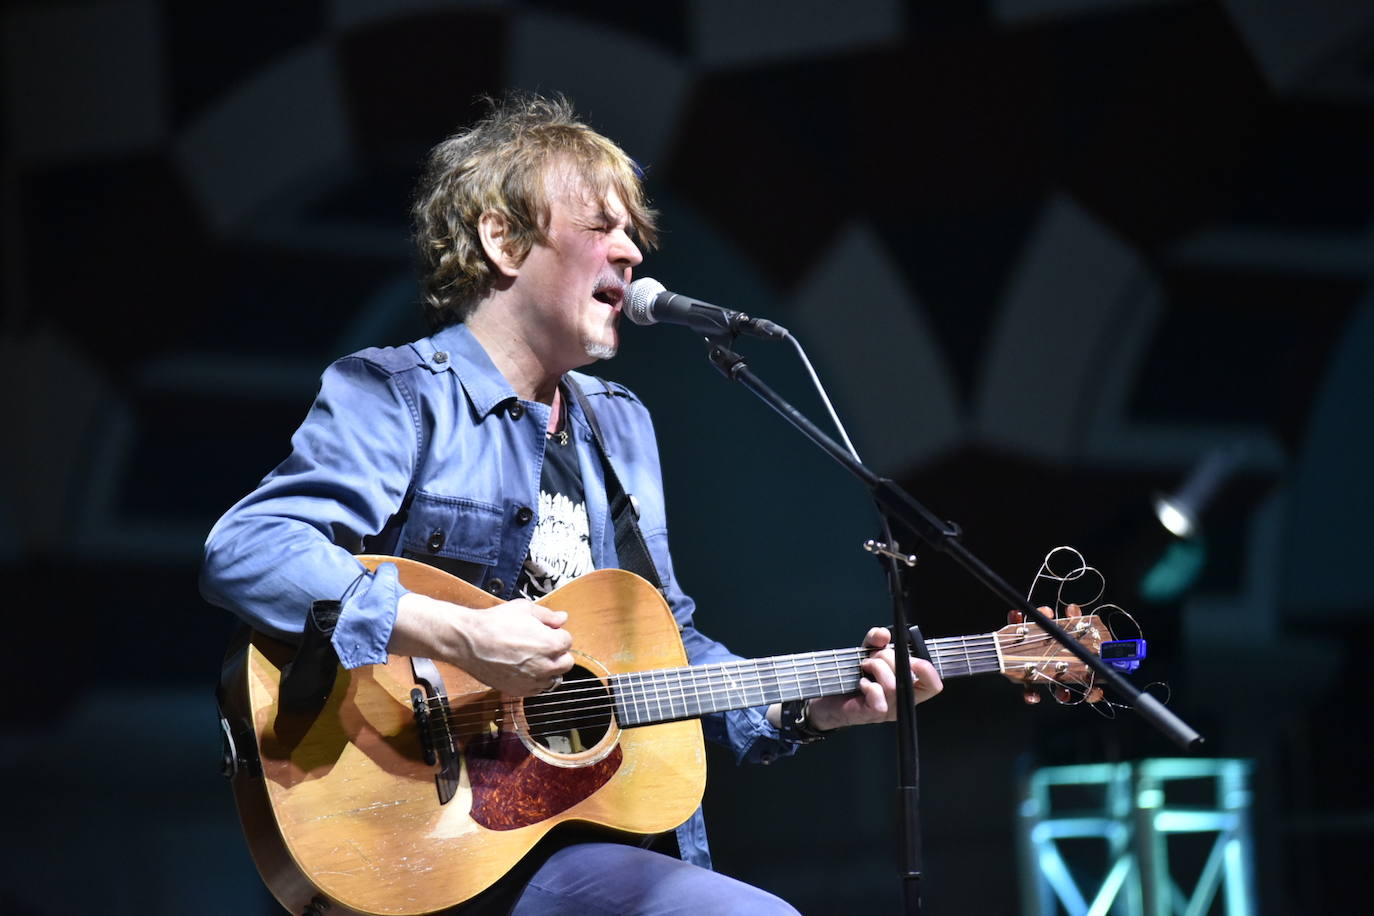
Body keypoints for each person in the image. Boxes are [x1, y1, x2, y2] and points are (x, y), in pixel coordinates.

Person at [201, 93, 943, 915]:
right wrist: (467, 635)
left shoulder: (617, 424)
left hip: (580, 838)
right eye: (601, 226)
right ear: (503, 239)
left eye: (635, 232)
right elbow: (249, 549)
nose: (631, 251)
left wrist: (808, 705)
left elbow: (663, 641)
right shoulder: (400, 397)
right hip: (428, 837)